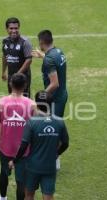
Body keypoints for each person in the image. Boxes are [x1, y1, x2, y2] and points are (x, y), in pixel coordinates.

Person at [9, 91, 69, 200]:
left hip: (33, 166)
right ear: (51, 104)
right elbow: (65, 143)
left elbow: (23, 145)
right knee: (48, 197)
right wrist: (56, 153)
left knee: (29, 195)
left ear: (36, 104)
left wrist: (14, 160)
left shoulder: (32, 122)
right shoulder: (60, 122)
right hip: (50, 167)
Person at [0, 73, 36, 200]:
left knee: (4, 173)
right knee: (21, 181)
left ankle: (2, 197)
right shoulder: (32, 105)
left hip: (5, 148)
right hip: (24, 150)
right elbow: (35, 128)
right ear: (25, 86)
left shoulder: (1, 103)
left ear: (10, 84)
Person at [32, 30, 68, 170]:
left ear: (41, 42)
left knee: (54, 129)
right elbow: (55, 63)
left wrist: (41, 98)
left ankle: (55, 159)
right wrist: (44, 56)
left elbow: (54, 84)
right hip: (62, 94)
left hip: (55, 98)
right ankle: (54, 157)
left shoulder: (49, 59)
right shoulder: (58, 52)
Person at [2, 17, 33, 97]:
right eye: (11, 28)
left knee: (24, 99)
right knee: (12, 97)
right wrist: (3, 71)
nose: (14, 31)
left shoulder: (25, 42)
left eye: (16, 28)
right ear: (7, 29)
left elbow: (29, 60)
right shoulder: (5, 41)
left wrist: (18, 74)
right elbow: (5, 56)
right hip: (11, 75)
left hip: (23, 77)